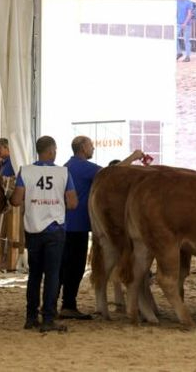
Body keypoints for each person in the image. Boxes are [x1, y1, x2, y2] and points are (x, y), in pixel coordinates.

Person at [60, 136, 144, 320]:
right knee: (75, 267)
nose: (93, 148)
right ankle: (68, 305)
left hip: (66, 223)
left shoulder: (68, 165)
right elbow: (111, 173)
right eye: (91, 145)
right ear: (83, 148)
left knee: (64, 266)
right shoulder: (83, 167)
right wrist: (133, 157)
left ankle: (55, 305)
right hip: (77, 224)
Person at [11, 136, 77, 332]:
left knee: (34, 274)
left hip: (33, 228)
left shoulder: (25, 171)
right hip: (55, 229)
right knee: (52, 274)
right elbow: (72, 203)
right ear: (51, 151)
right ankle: (48, 317)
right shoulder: (63, 172)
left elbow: (16, 200)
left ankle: (31, 317)